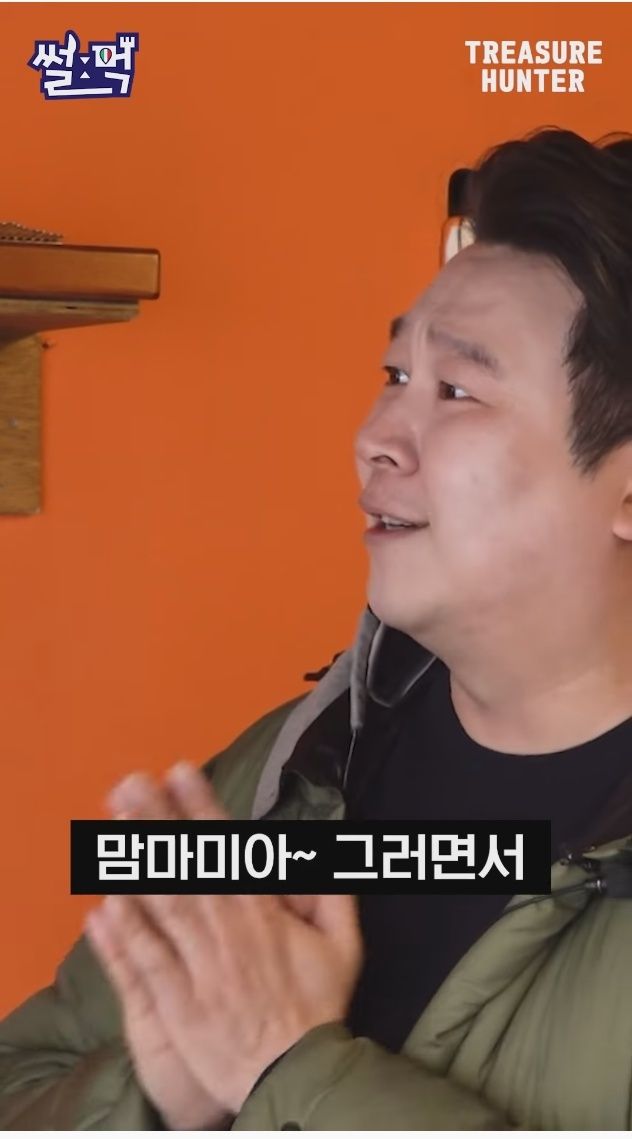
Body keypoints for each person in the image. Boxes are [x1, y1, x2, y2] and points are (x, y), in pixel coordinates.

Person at [3, 125, 632, 1131]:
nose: (373, 437)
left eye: (455, 389)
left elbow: (277, 1065)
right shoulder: (292, 762)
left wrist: (284, 1065)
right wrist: (162, 1097)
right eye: (392, 374)